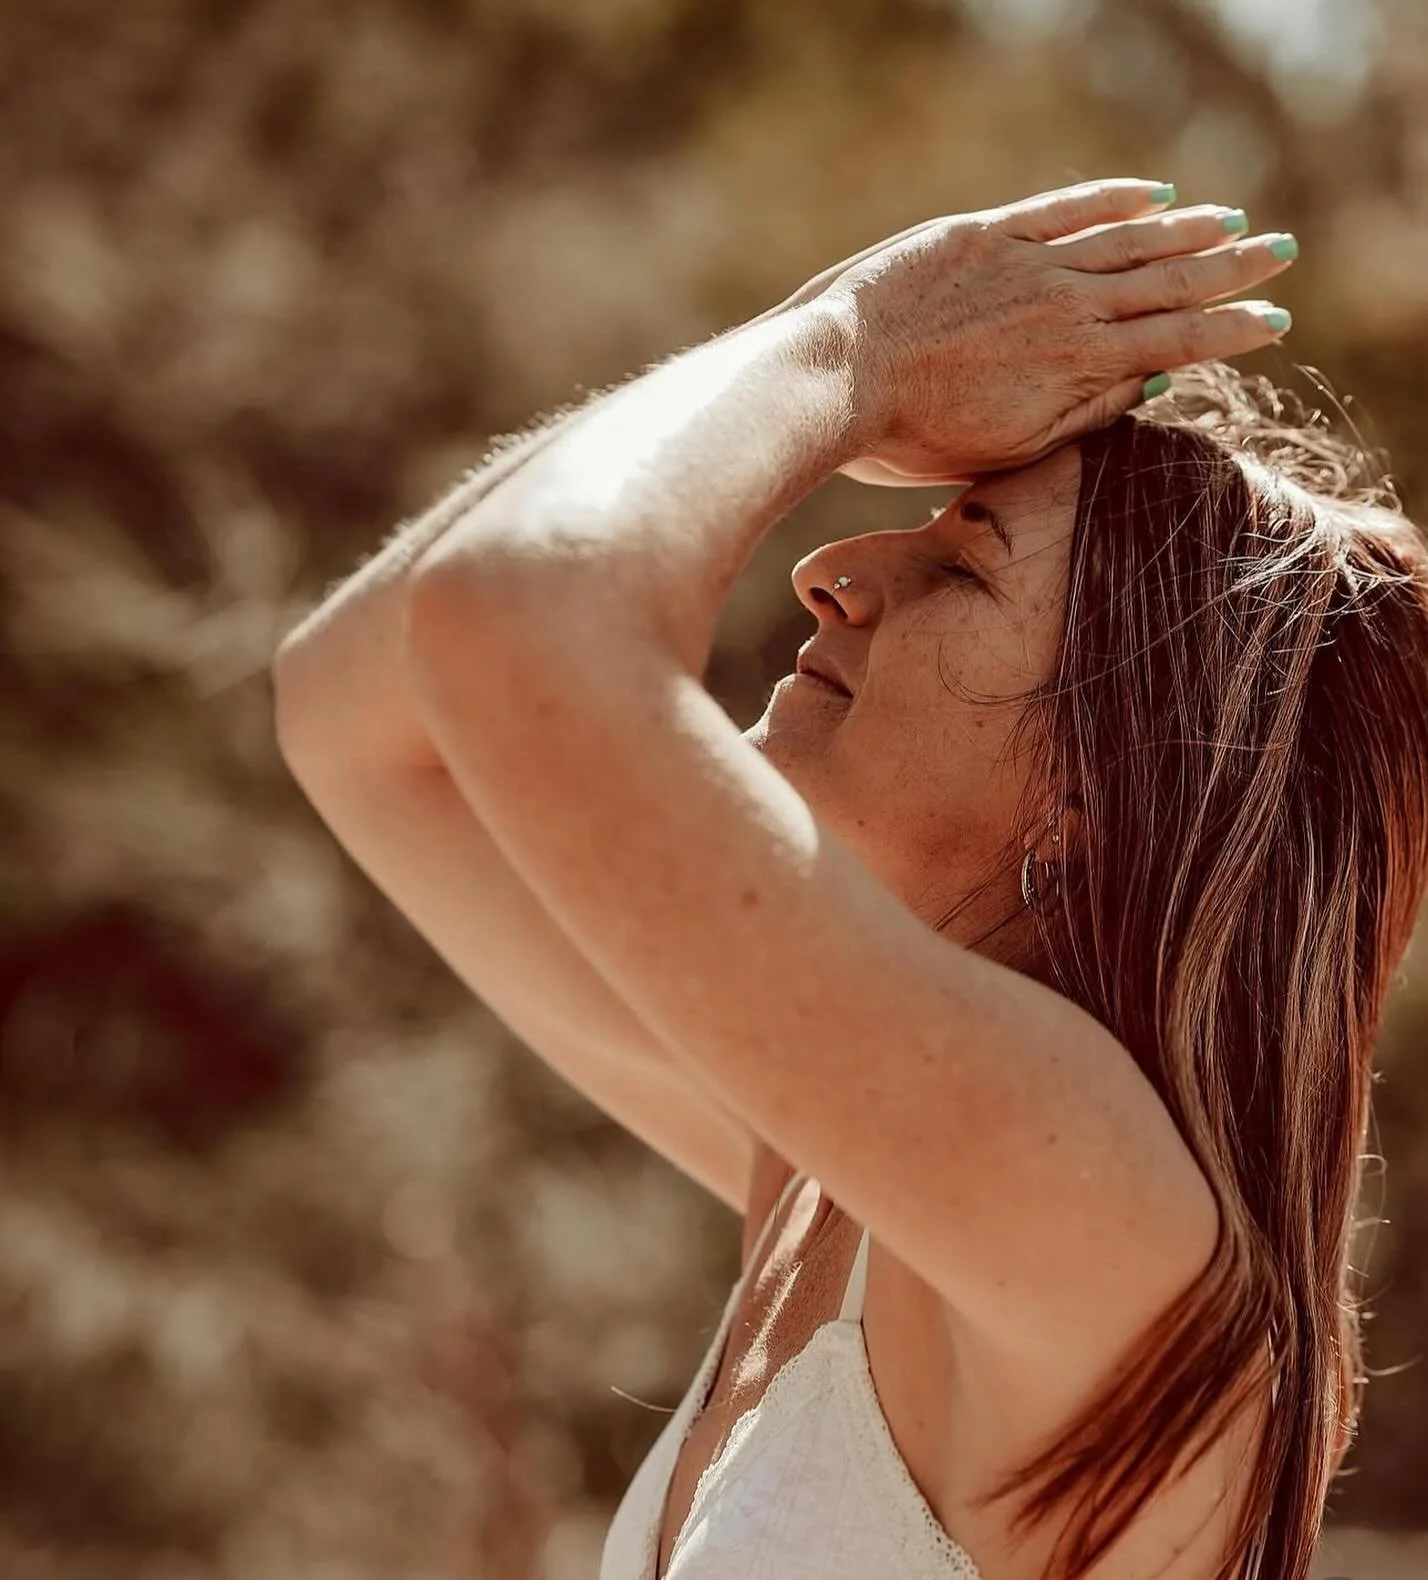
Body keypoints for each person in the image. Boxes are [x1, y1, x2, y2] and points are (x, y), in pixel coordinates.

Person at [272, 179, 1428, 1580]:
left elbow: (511, 615)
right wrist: (829, 329)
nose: (830, 569)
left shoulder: (1092, 1202)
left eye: (966, 565)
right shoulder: (848, 1175)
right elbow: (355, 716)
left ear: (1113, 785)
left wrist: (862, 346)